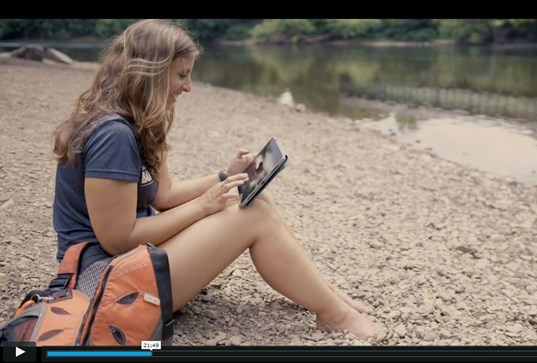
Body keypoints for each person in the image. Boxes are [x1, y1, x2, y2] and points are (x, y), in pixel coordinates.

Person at [50, 19, 378, 339]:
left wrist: (227, 177)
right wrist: (204, 207)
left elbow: (164, 196)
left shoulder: (137, 124)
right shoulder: (113, 135)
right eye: (181, 75)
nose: (188, 86)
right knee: (256, 215)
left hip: (130, 264)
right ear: (150, 72)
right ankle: (334, 313)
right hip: (104, 285)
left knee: (255, 197)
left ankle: (325, 294)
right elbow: (119, 239)